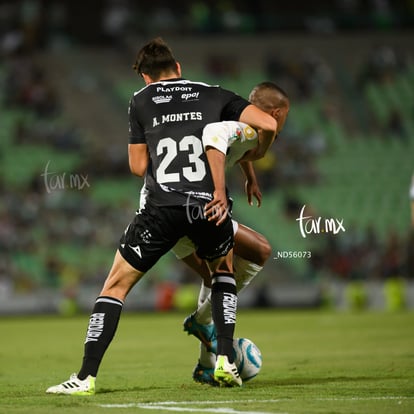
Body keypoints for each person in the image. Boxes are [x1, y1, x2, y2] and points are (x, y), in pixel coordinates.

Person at [46, 37, 277, 395]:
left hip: (162, 208)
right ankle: (225, 361)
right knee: (223, 274)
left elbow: (138, 167)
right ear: (179, 69)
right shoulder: (213, 93)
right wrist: (254, 160)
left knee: (115, 287)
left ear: (146, 79)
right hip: (207, 205)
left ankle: (85, 377)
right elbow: (267, 124)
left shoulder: (140, 101)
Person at [175, 83, 290, 385]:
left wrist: (249, 176)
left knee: (213, 279)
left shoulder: (235, 121)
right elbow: (217, 137)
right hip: (194, 208)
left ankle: (205, 364)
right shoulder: (251, 130)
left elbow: (232, 147)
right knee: (260, 250)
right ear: (277, 114)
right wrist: (219, 191)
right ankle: (202, 321)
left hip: (166, 210)